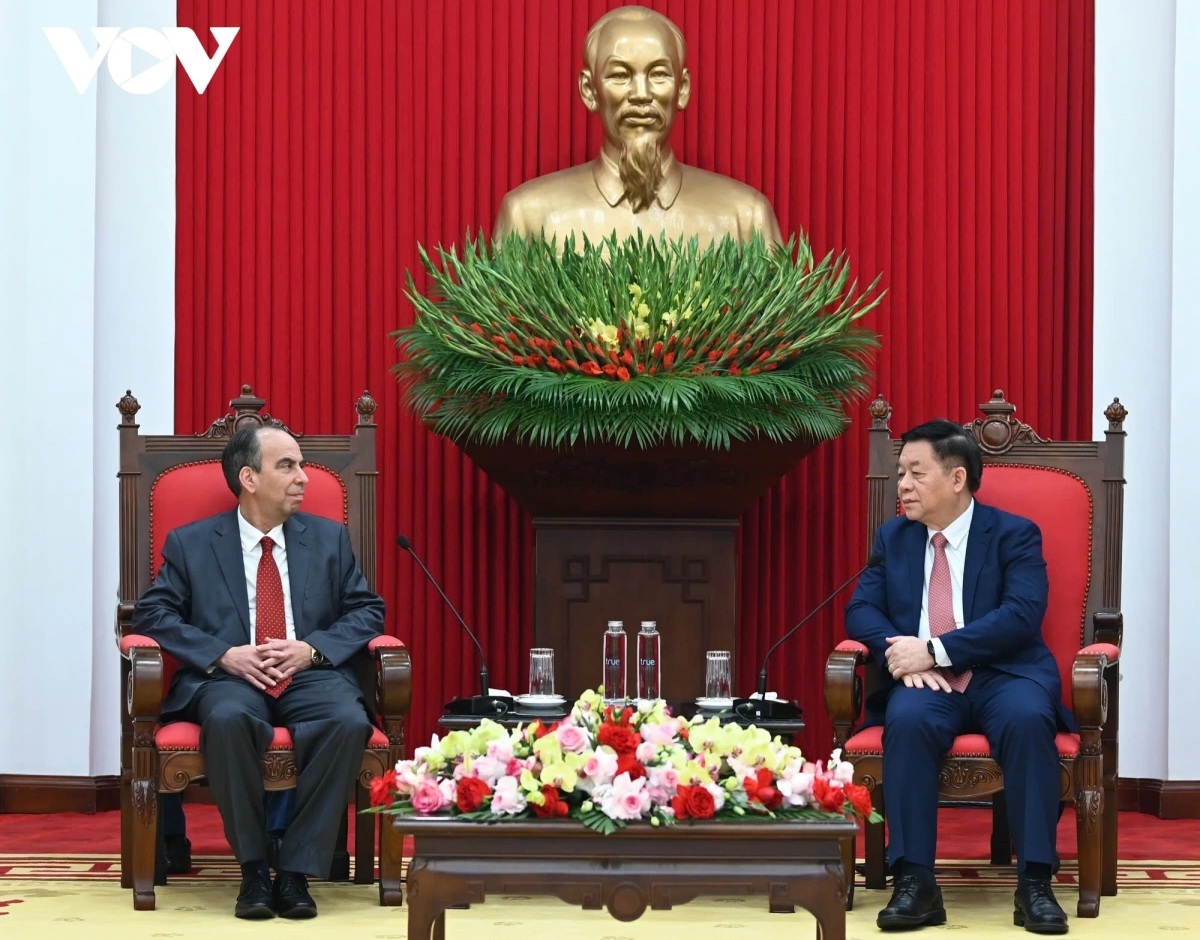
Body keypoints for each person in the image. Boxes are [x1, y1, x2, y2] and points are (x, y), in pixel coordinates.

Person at [133, 425, 384, 919]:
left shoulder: (328, 539)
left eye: (301, 464)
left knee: (347, 720)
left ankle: (294, 873)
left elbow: (367, 611)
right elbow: (153, 614)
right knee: (227, 718)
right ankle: (252, 870)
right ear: (249, 478)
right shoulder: (192, 543)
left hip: (308, 672)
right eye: (287, 466)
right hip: (230, 676)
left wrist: (312, 649)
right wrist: (223, 654)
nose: (303, 477)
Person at [845, 420, 1071, 935]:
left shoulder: (1014, 534)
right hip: (927, 682)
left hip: (1004, 672)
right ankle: (915, 882)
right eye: (900, 473)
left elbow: (1020, 615)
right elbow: (860, 610)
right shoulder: (894, 538)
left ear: (957, 478)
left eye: (915, 473)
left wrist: (933, 650)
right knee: (907, 721)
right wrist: (900, 652)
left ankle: (1035, 882)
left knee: (1027, 719)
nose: (903, 485)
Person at [494, 5, 783, 247]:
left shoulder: (745, 219)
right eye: (620, 76)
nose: (641, 94)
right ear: (589, 90)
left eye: (658, 74)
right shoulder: (529, 218)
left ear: (682, 88)